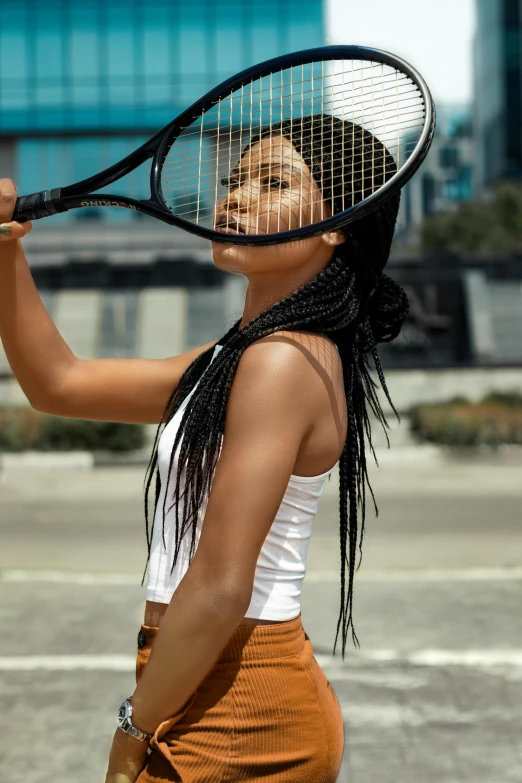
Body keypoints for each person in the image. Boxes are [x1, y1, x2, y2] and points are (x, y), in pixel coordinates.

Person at [0, 114, 409, 783]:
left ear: (340, 222)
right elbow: (59, 383)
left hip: (240, 709)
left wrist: (132, 729)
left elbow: (221, 586)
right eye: (234, 179)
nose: (236, 196)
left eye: (271, 181)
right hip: (202, 678)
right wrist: (6, 246)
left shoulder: (282, 363)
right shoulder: (239, 357)